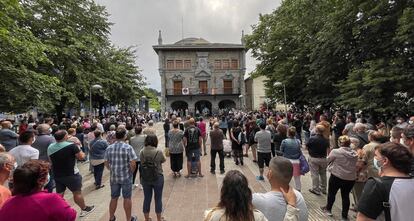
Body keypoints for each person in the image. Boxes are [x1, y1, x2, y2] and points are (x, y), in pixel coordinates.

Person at [0, 160, 76, 221]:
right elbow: (70, 216)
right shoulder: (50, 199)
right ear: (41, 180)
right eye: (47, 175)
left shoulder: (8, 203)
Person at [357, 142, 414, 221]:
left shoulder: (376, 185)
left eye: (376, 156)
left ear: (385, 161)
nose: (374, 158)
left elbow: (363, 219)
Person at [47, 130, 95, 217]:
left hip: (57, 174)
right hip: (72, 174)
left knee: (60, 194)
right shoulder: (72, 146)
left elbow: (50, 161)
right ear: (65, 137)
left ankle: (56, 212)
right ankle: (84, 209)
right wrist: (81, 150)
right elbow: (81, 157)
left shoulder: (50, 147)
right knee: (77, 193)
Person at [104, 128, 138, 221]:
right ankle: (128, 219)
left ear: (115, 136)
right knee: (127, 198)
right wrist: (131, 171)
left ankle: (111, 217)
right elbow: (133, 163)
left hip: (114, 177)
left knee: (114, 197)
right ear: (125, 136)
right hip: (126, 177)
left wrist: (111, 169)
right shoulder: (128, 147)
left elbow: (106, 162)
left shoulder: (109, 147)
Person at [320, 135, 357, 220]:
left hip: (337, 176)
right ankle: (344, 215)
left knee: (332, 193)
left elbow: (328, 160)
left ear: (340, 143)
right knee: (345, 196)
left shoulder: (336, 151)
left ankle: (328, 209)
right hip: (350, 178)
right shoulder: (355, 153)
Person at [140, 134, 166, 221]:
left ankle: (146, 218)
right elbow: (163, 160)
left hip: (145, 177)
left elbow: (141, 162)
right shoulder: (158, 151)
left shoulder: (142, 151)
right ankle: (159, 218)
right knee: (158, 198)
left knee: (147, 198)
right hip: (157, 176)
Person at [306, 125, 329, 195]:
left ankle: (316, 189)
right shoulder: (326, 139)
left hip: (314, 158)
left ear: (316, 130)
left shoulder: (312, 138)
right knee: (323, 174)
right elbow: (328, 149)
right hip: (323, 158)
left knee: (315, 174)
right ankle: (324, 188)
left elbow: (307, 146)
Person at [32, 123, 55, 192]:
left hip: (36, 163)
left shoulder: (33, 138)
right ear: (47, 130)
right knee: (49, 182)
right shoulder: (50, 138)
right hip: (47, 164)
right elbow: (53, 151)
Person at [281, 127, 302, 191]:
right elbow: (299, 150)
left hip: (287, 161)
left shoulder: (284, 141)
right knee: (297, 178)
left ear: (288, 133)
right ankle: (298, 191)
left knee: (286, 177)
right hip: (296, 161)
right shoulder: (298, 141)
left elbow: (281, 150)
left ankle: (285, 190)